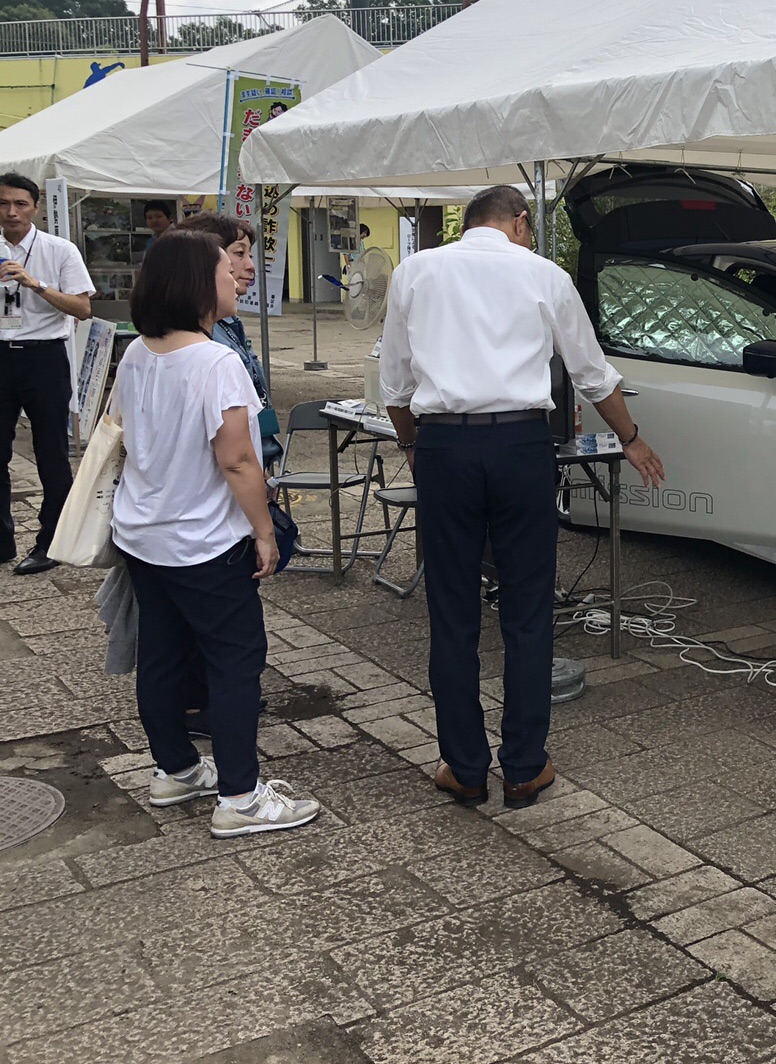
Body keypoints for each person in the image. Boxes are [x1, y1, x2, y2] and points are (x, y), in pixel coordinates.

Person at [381, 184, 665, 809]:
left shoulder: (415, 272)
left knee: (452, 612)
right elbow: (592, 374)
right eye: (529, 228)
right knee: (528, 610)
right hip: (519, 447)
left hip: (444, 448)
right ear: (517, 222)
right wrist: (633, 439)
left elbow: (396, 385)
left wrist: (413, 448)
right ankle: (524, 768)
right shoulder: (544, 274)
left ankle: (465, 768)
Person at [112, 231, 319, 838]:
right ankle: (240, 796)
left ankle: (175, 769)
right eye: (225, 270)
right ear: (198, 286)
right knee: (236, 663)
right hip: (204, 540)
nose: (236, 277)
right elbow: (237, 462)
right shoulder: (216, 361)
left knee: (162, 657)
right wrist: (265, 531)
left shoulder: (138, 352)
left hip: (144, 534)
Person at [0, 171, 96, 575]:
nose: (11, 212)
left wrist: (35, 284)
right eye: (3, 204)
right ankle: (2, 542)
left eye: (20, 204)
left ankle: (50, 542)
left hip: (43, 357)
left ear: (36, 208)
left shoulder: (60, 250)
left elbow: (82, 309)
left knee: (52, 453)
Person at [173, 212, 282, 467]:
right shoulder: (200, 338)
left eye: (250, 255)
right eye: (239, 253)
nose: (250, 266)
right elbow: (234, 459)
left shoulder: (228, 323)